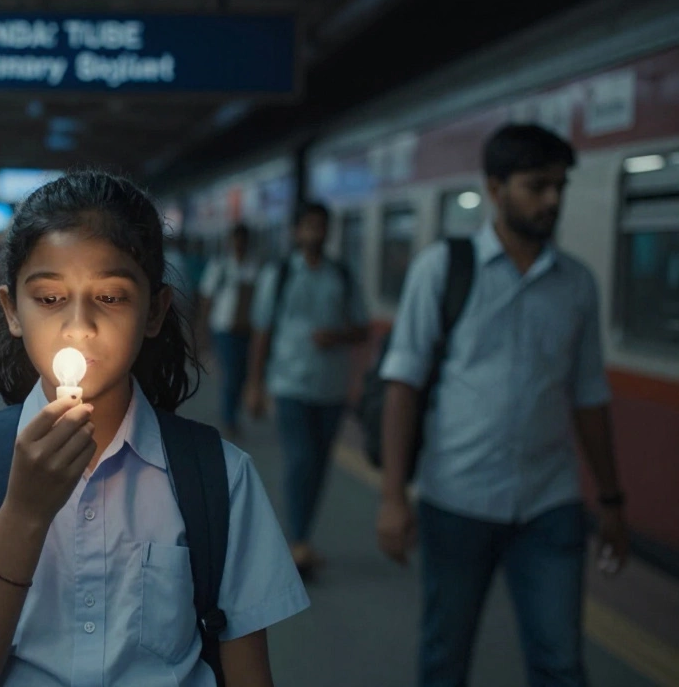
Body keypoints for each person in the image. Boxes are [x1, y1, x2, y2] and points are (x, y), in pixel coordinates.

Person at [0, 170, 309, 687]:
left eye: (111, 297)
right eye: (50, 298)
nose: (78, 326)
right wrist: (24, 514)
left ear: (155, 311)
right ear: (12, 310)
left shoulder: (220, 478)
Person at [376, 124, 629, 687]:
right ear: (495, 187)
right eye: (537, 186)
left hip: (550, 503)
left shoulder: (577, 285)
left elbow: (589, 397)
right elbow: (402, 386)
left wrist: (611, 500)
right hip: (456, 500)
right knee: (446, 658)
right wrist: (394, 497)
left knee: (561, 662)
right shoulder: (442, 269)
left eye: (559, 186)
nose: (553, 200)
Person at [244, 202, 368, 577]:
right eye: (309, 226)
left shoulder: (342, 276)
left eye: (322, 226)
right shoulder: (279, 275)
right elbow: (262, 330)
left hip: (330, 387)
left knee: (317, 465)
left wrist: (338, 336)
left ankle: (304, 534)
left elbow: (361, 327)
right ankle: (297, 541)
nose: (316, 233)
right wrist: (255, 384)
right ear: (296, 232)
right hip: (290, 383)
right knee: (300, 460)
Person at [197, 224, 259, 438]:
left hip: (248, 330)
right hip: (224, 330)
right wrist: (203, 329)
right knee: (232, 375)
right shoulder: (220, 266)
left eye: (243, 239)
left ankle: (232, 413)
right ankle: (229, 418)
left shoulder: (254, 267)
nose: (240, 244)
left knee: (241, 374)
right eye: (236, 239)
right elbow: (207, 298)